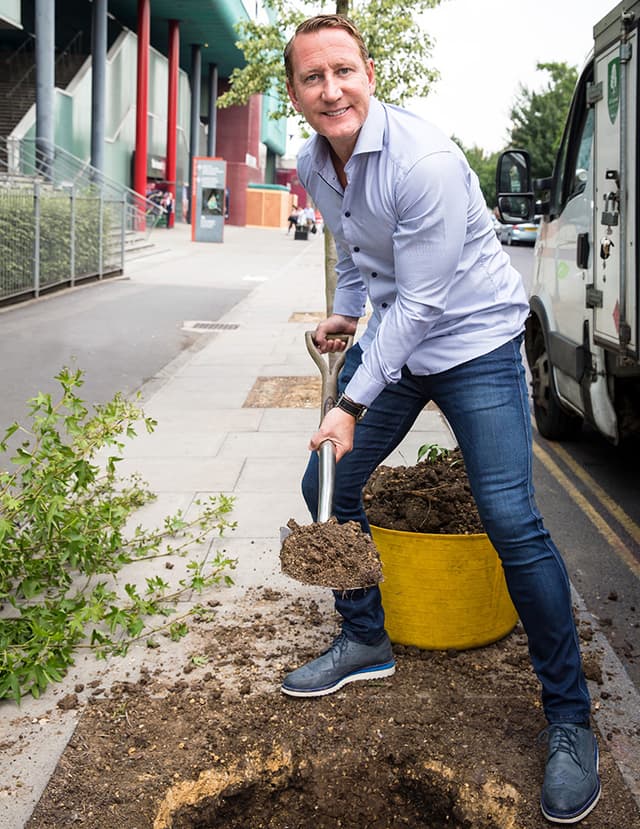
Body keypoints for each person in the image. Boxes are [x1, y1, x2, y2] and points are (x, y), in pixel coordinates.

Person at [281, 14, 600, 826]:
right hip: (398, 336)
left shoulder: (421, 161)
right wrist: (345, 313)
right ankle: (365, 640)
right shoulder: (313, 163)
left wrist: (350, 403)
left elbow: (424, 303)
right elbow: (360, 260)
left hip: (474, 342)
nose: (331, 89)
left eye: (343, 71)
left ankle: (570, 718)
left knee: (510, 519)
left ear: (370, 72)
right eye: (313, 78)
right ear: (296, 93)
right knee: (329, 478)